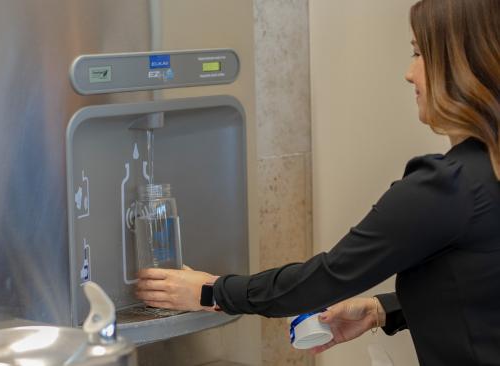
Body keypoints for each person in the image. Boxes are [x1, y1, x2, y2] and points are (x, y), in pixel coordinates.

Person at [135, 0, 500, 364]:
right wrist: (382, 310)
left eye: (419, 54)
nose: (409, 73)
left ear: (460, 66)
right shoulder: (485, 172)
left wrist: (209, 292)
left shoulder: (448, 187)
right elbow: (481, 288)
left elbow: (327, 277)